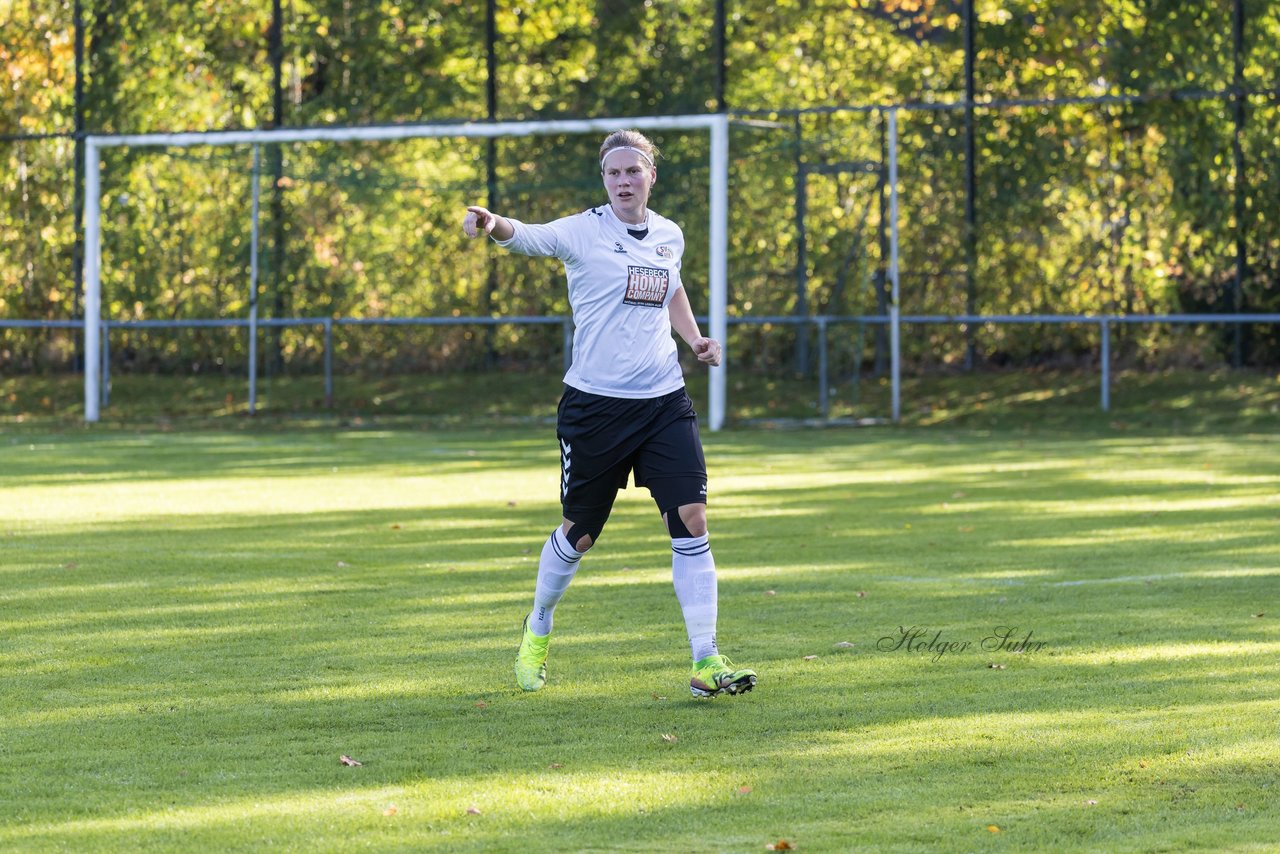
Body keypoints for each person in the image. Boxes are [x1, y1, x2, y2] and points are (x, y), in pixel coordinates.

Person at [462, 129, 757, 699]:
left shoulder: (669, 234)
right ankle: (538, 626)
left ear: (651, 175)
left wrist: (694, 338)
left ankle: (706, 660)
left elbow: (671, 288)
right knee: (579, 535)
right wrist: (493, 224)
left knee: (692, 516)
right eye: (614, 173)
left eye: (633, 171)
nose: (624, 181)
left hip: (664, 402)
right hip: (595, 408)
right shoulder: (583, 231)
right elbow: (526, 237)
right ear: (605, 179)